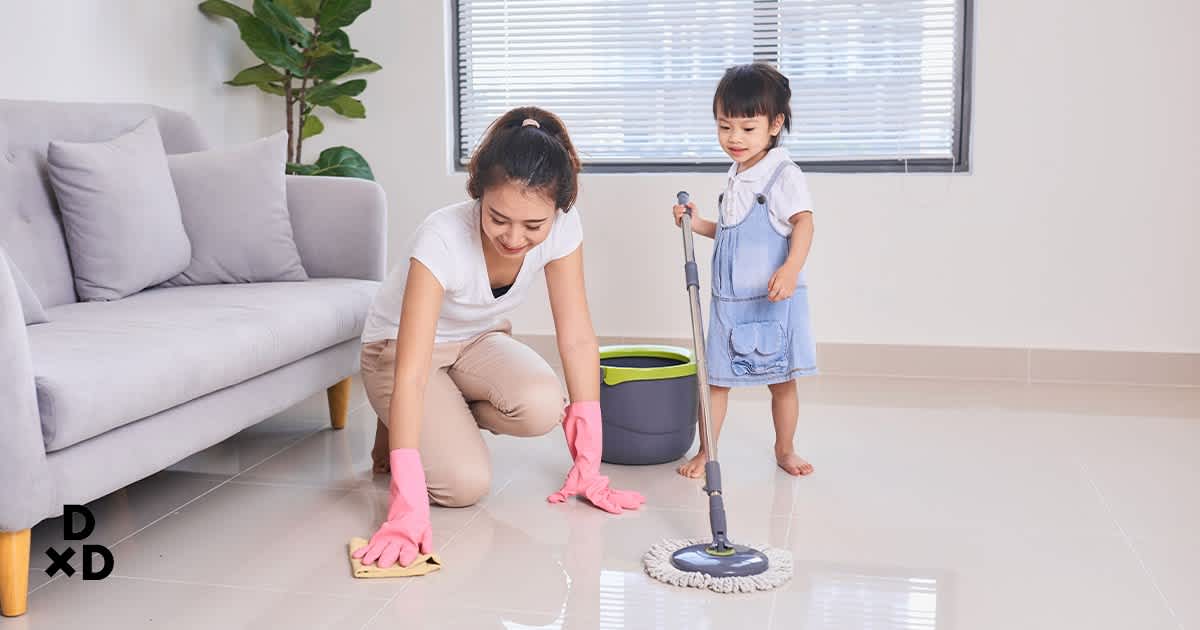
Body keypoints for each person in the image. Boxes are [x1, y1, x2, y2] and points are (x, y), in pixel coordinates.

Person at [354, 107, 644, 569]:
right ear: (478, 194)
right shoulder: (442, 237)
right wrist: (406, 504)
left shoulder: (565, 227)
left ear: (558, 209)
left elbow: (577, 339)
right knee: (463, 486)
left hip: (477, 341)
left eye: (534, 226)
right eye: (498, 218)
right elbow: (411, 373)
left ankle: (432, 417)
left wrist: (589, 461)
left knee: (544, 405)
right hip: (398, 353)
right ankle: (414, 421)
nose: (513, 237)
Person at [671, 62, 818, 479]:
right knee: (715, 381)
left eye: (747, 128)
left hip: (772, 300)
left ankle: (785, 448)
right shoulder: (738, 174)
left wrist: (790, 270)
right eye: (724, 126)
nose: (734, 138)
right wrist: (694, 223)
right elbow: (733, 234)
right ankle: (708, 452)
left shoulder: (783, 175)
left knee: (782, 381)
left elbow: (804, 223)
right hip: (730, 302)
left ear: (775, 124)